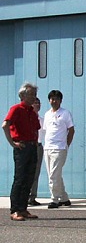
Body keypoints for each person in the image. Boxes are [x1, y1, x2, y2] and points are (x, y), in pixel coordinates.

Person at [3, 82, 40, 221]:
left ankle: (23, 208)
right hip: (22, 147)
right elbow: (5, 124)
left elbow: (36, 128)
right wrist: (12, 143)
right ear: (23, 95)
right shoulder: (16, 109)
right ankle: (15, 210)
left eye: (35, 95)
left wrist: (35, 143)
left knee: (29, 178)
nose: (34, 97)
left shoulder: (32, 111)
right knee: (19, 178)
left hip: (32, 147)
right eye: (31, 94)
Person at [43, 89, 75, 209]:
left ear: (60, 101)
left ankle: (54, 199)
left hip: (59, 148)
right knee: (54, 175)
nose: (54, 101)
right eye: (52, 99)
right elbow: (45, 130)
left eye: (56, 99)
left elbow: (71, 130)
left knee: (53, 175)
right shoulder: (47, 114)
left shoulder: (65, 113)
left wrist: (66, 144)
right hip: (48, 148)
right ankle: (64, 198)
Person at [28, 96, 45, 206]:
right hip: (28, 146)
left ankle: (32, 197)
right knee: (26, 172)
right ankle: (24, 196)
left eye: (38, 103)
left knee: (35, 172)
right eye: (35, 103)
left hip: (38, 146)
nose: (37, 105)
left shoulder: (42, 120)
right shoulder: (26, 118)